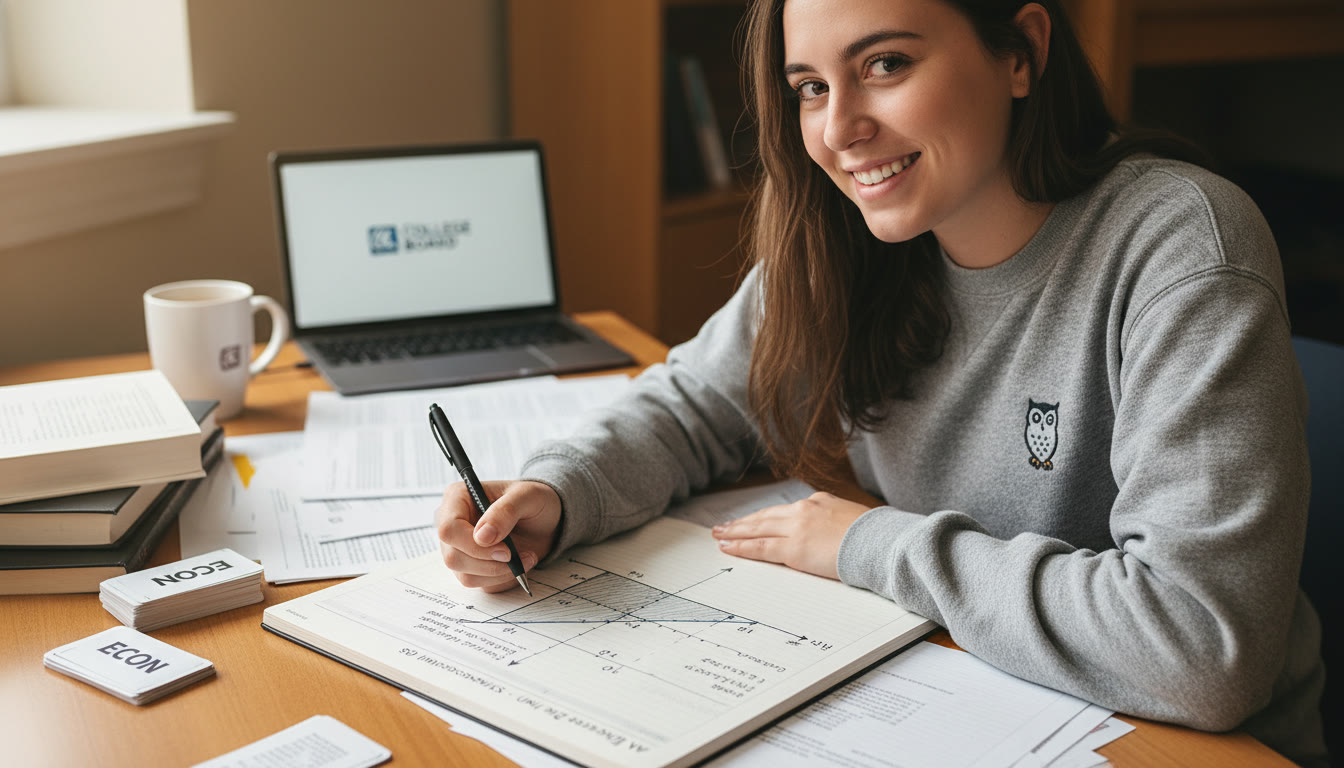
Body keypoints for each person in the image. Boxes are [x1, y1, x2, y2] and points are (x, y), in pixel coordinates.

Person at [435, 0, 1327, 764]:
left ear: (1021, 53)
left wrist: (870, 546)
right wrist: (562, 491)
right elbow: (696, 403)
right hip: (968, 692)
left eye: (885, 64)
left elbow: (1200, 647)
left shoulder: (1180, 244)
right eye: (810, 87)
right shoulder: (847, 237)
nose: (838, 130)